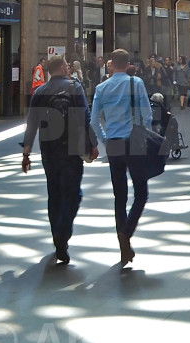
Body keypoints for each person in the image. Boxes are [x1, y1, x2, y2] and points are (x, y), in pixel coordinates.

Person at [22, 55, 98, 263]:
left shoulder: (39, 92)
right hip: (71, 149)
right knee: (73, 194)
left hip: (48, 150)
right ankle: (62, 234)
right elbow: (84, 116)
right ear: (64, 67)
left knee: (54, 194)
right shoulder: (75, 86)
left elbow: (31, 123)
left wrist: (26, 153)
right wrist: (93, 143)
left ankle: (58, 237)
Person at [91, 49, 153, 266]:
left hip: (114, 144)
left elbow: (94, 121)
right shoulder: (136, 83)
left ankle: (123, 245)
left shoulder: (101, 88)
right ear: (128, 64)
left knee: (120, 196)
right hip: (134, 141)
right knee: (142, 192)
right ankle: (126, 233)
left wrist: (106, 140)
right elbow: (147, 114)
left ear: (111, 65)